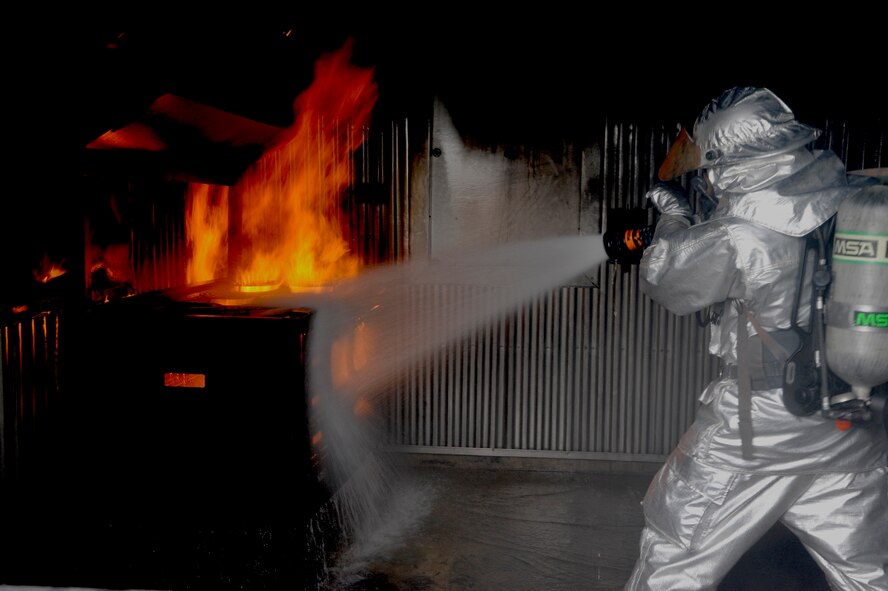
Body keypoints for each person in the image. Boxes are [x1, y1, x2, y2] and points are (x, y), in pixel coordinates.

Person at [624, 86, 888, 590]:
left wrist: (673, 215)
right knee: (866, 572)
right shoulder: (860, 201)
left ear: (727, 157)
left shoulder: (740, 231)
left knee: (674, 554)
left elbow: (666, 279)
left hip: (756, 428)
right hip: (852, 419)